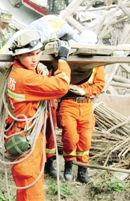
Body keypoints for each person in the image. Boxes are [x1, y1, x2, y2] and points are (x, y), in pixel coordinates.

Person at [5, 29, 71, 200]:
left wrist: (40, 69)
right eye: (28, 55)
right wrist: (62, 60)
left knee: (24, 189)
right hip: (27, 140)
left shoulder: (17, 72)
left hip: (23, 135)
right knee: (32, 188)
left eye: (37, 53)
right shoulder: (25, 78)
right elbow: (61, 86)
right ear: (17, 56)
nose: (34, 59)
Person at [57, 30, 105, 183]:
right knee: (70, 138)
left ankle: (82, 171)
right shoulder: (68, 60)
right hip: (68, 104)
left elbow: (99, 85)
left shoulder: (97, 65)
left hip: (86, 105)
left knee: (85, 140)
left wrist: (84, 91)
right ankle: (69, 166)